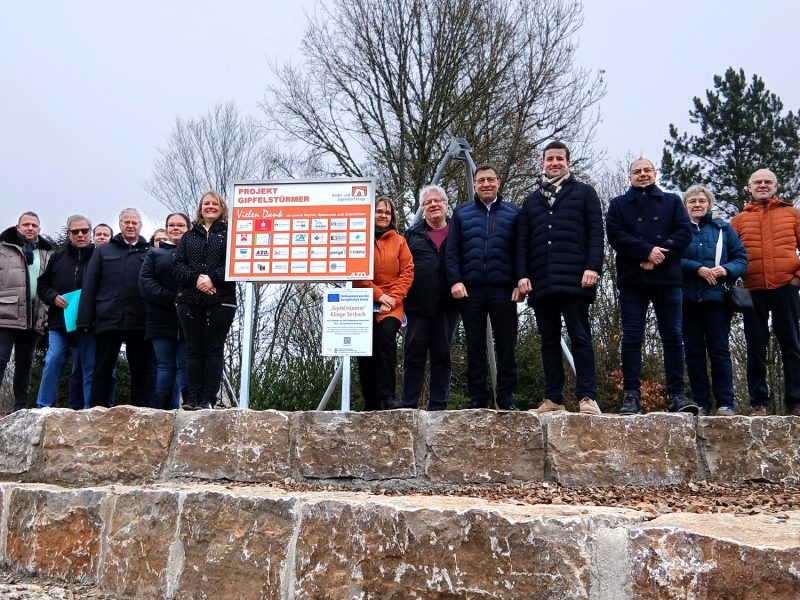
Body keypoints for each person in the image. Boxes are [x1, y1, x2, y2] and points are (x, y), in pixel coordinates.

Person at [517, 141, 604, 415]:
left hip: (576, 281)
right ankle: (553, 398)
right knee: (548, 341)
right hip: (542, 282)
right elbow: (522, 242)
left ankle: (587, 397)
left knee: (580, 338)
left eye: (559, 158)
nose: (554, 163)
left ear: (568, 162)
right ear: (542, 163)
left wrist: (593, 266)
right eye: (549, 159)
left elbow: (595, 233)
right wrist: (522, 275)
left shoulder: (585, 193)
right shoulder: (531, 201)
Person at [606, 158, 695, 415]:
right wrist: (646, 252)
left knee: (673, 336)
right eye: (637, 171)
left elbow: (683, 233)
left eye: (647, 170)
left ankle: (677, 395)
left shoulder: (672, 201)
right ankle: (631, 395)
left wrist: (659, 256)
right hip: (633, 279)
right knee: (632, 336)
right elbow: (616, 235)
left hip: (667, 278)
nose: (642, 175)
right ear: (630, 176)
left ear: (655, 174)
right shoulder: (618, 205)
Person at [446, 163, 522, 410]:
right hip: (471, 289)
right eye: (481, 181)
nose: (486, 184)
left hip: (504, 288)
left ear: (498, 183)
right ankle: (478, 396)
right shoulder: (461, 213)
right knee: (474, 345)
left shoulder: (513, 213)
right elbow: (452, 251)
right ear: (476, 184)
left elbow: (521, 251)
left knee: (507, 344)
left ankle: (506, 397)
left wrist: (520, 281)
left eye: (490, 180)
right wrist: (455, 280)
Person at [731, 169, 800, 416]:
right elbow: (729, 254)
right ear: (749, 187)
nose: (762, 185)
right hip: (752, 290)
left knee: (791, 344)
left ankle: (795, 402)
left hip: (786, 287)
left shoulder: (792, 214)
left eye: (767, 182)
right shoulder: (738, 220)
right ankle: (759, 402)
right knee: (754, 346)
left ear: (776, 186)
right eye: (757, 182)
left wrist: (797, 279)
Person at [681, 186, 748, 416]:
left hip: (717, 300)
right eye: (692, 201)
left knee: (719, 351)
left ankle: (726, 402)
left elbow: (741, 258)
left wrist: (725, 270)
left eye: (701, 200)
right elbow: (671, 258)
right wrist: (697, 268)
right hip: (687, 299)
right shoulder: (679, 230)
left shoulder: (723, 229)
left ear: (709, 204)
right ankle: (700, 401)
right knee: (693, 352)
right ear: (685, 205)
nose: (697, 204)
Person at [77, 208, 150, 407]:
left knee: (141, 371)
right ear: (120, 225)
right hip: (109, 317)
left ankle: (141, 413)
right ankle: (96, 410)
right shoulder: (103, 251)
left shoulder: (150, 251)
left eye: (134, 222)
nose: (130, 225)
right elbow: (90, 285)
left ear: (140, 226)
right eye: (126, 222)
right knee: (102, 369)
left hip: (139, 319)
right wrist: (84, 319)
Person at [173, 191, 237, 410]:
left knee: (213, 348)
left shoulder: (231, 234)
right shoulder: (188, 237)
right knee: (193, 349)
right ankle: (192, 398)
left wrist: (212, 278)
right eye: (206, 203)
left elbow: (234, 262)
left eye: (215, 203)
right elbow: (178, 265)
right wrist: (197, 279)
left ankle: (208, 398)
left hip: (221, 300)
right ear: (200, 208)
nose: (210, 206)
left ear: (222, 207)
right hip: (189, 300)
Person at [402, 185, 459, 410]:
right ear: (422, 208)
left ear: (446, 205)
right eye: (428, 202)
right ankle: (407, 405)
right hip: (417, 306)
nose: (433, 205)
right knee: (413, 356)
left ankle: (438, 406)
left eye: (438, 201)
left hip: (448, 306)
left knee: (442, 356)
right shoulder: (412, 235)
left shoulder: (458, 231)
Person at [354, 197, 414, 410]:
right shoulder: (360, 239)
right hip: (364, 300)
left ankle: (387, 396)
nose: (382, 215)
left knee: (386, 341)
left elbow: (407, 272)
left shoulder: (400, 241)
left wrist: (392, 298)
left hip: (392, 305)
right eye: (379, 211)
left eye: (387, 213)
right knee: (364, 348)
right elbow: (356, 273)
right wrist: (378, 295)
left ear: (392, 217)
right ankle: (370, 400)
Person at [36, 215, 95, 409]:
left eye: (84, 231)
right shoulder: (57, 257)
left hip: (88, 323)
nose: (80, 235)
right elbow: (42, 285)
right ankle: (43, 406)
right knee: (53, 359)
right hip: (59, 322)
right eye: (75, 231)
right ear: (69, 234)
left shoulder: (99, 256)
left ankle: (90, 409)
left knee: (89, 367)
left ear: (90, 233)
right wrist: (52, 296)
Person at [0, 212, 53, 411]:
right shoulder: (3, 248)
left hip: (33, 316)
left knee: (25, 365)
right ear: (18, 227)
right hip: (5, 314)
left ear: (39, 229)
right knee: (1, 360)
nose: (30, 228)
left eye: (34, 225)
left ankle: (20, 408)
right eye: (26, 225)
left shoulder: (46, 253)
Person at [139, 212, 191, 410]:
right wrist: (172, 298)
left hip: (188, 319)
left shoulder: (194, 254)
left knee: (186, 363)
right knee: (165, 365)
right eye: (171, 225)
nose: (176, 228)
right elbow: (145, 283)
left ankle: (188, 403)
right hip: (160, 319)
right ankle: (161, 408)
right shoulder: (155, 253)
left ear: (188, 228)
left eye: (180, 225)